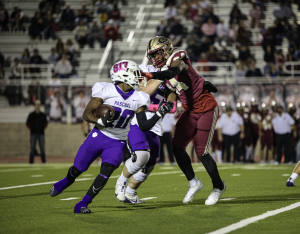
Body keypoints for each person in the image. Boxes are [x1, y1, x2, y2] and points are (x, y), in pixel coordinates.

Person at [49, 60, 174, 213]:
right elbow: (86, 114)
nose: (139, 78)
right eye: (135, 74)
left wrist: (159, 113)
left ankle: (83, 203)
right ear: (124, 75)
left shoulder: (140, 97)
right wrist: (99, 120)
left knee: (107, 169)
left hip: (118, 141)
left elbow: (143, 126)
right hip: (99, 135)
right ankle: (66, 181)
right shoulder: (105, 89)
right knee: (78, 169)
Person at [141, 36, 225, 205]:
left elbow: (173, 71)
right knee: (177, 148)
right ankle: (194, 183)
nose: (156, 58)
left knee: (201, 153)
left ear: (166, 49)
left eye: (157, 53)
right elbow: (171, 100)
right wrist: (157, 105)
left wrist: (153, 75)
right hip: (190, 110)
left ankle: (218, 186)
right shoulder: (163, 72)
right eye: (153, 55)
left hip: (206, 107)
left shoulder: (177, 57)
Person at [115, 66, 177, 203]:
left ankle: (130, 193)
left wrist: (173, 87)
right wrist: (160, 77)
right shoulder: (145, 71)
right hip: (137, 122)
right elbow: (141, 96)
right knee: (141, 156)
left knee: (149, 165)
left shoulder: (168, 80)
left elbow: (171, 108)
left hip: (155, 126)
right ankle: (121, 182)